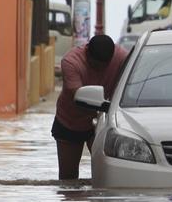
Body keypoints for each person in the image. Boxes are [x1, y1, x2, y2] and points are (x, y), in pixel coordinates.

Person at [53, 34, 129, 180]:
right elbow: (79, 97)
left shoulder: (122, 58)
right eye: (96, 65)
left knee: (110, 175)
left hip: (102, 122)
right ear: (87, 52)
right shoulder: (71, 62)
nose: (101, 69)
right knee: (68, 179)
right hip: (70, 121)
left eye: (105, 65)